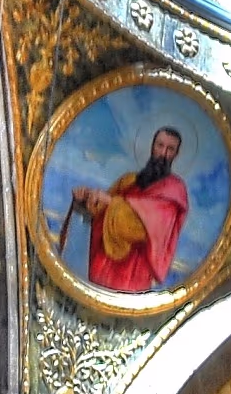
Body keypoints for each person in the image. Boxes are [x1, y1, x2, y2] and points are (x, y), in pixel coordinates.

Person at [62, 124, 193, 294]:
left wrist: (110, 201)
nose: (163, 153)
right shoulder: (129, 180)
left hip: (132, 273)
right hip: (102, 264)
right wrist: (86, 198)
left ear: (176, 154)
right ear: (152, 146)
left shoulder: (174, 190)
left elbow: (142, 228)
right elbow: (100, 212)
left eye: (170, 149)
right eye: (160, 146)